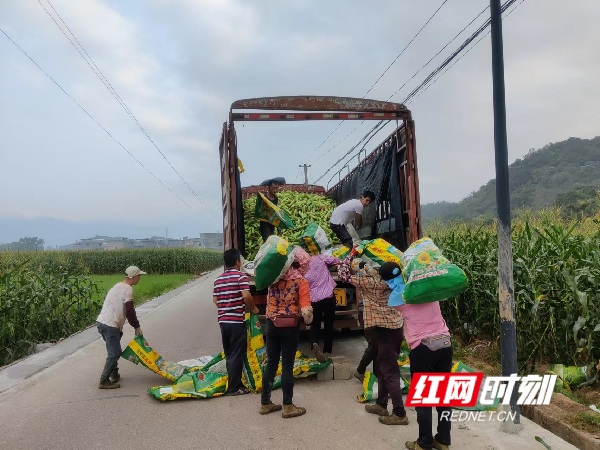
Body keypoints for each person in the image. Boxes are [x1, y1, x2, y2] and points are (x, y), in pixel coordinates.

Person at [379, 261, 452, 450]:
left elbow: (395, 294)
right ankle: (443, 440)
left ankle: (424, 443)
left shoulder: (399, 298)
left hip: (423, 348)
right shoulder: (427, 286)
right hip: (445, 343)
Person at [338, 247, 408, 426]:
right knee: (383, 367)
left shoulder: (372, 283)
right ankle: (381, 404)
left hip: (382, 330)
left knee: (390, 371)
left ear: (380, 274)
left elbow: (343, 273)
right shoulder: (402, 281)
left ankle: (399, 413)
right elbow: (378, 271)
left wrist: (352, 254)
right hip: (396, 329)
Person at [260, 247, 313, 418]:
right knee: (287, 366)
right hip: (289, 326)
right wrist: (309, 321)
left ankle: (265, 403)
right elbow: (306, 311)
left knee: (271, 364)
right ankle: (288, 406)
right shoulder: (300, 281)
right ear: (301, 264)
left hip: (272, 324)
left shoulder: (272, 279)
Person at [213, 249, 259, 396]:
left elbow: (215, 301)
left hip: (223, 321)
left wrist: (226, 308)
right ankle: (234, 388)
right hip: (236, 321)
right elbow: (246, 295)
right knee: (236, 354)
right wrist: (253, 308)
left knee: (229, 353)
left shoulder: (218, 279)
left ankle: (235, 382)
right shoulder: (240, 277)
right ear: (237, 262)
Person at [96, 265, 146, 389]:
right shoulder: (128, 289)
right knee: (115, 353)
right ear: (134, 277)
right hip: (110, 325)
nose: (140, 279)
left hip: (102, 322)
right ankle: (104, 380)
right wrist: (136, 326)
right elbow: (130, 311)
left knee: (112, 349)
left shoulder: (117, 286)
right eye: (139, 276)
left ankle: (114, 373)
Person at [305, 254, 341, 362]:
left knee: (314, 323)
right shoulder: (319, 257)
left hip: (314, 298)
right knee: (329, 324)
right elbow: (336, 260)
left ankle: (315, 343)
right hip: (328, 295)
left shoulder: (301, 265)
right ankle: (327, 351)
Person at [354, 294, 377, 381]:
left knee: (377, 346)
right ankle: (360, 371)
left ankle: (377, 374)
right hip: (368, 313)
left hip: (374, 313)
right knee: (374, 345)